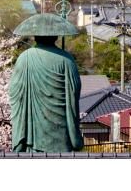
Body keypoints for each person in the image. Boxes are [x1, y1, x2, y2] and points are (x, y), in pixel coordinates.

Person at [9, 14, 83, 153]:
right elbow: (73, 95)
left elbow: (15, 95)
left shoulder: (24, 58)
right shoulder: (66, 60)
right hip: (62, 134)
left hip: (33, 134)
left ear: (34, 36)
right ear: (56, 36)